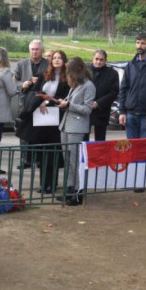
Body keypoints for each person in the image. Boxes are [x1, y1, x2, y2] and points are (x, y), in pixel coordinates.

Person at [16, 50, 69, 195]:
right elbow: (34, 91)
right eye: (54, 58)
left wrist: (49, 101)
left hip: (56, 118)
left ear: (64, 60)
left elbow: (65, 97)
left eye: (59, 58)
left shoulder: (68, 78)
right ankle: (43, 183)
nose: (57, 60)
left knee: (52, 154)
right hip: (40, 118)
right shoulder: (44, 75)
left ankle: (51, 184)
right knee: (41, 154)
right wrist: (40, 101)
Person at [56, 58, 96, 206]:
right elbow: (70, 102)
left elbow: (87, 109)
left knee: (74, 161)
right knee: (67, 161)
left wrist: (69, 105)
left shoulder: (88, 86)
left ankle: (78, 193)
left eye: (69, 72)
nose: (68, 75)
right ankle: (69, 189)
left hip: (77, 127)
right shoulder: (76, 85)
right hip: (66, 125)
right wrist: (62, 103)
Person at [13, 39, 48, 166]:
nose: (34, 52)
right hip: (25, 103)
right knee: (23, 131)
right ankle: (25, 160)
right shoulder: (21, 64)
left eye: (37, 49)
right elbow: (14, 82)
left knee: (40, 131)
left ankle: (39, 159)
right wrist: (24, 83)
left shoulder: (48, 64)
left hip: (41, 103)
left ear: (42, 50)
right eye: (32, 49)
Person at [87, 49, 119, 142]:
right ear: (92, 59)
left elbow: (114, 92)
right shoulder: (85, 71)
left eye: (101, 60)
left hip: (102, 110)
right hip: (86, 108)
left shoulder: (112, 73)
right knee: (83, 139)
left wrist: (98, 103)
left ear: (105, 60)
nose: (98, 62)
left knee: (100, 140)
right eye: (96, 59)